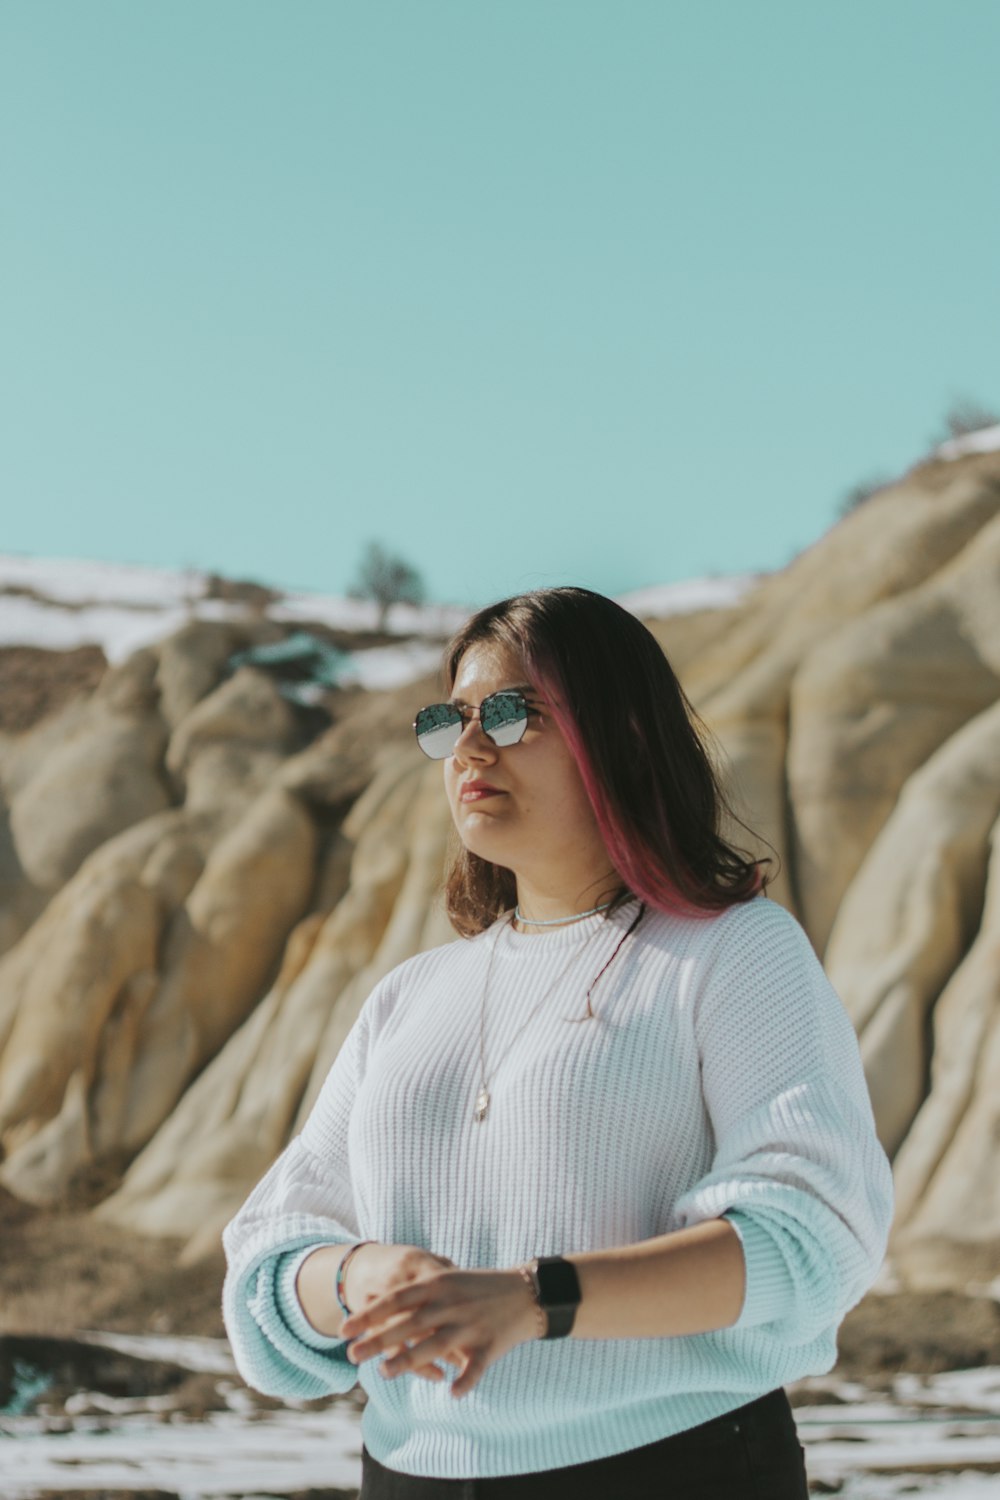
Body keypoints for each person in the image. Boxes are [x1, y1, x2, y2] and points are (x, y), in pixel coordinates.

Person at [222, 586, 894, 1499]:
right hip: (409, 1476)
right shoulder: (409, 996)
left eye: (508, 712)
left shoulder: (733, 949)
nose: (468, 746)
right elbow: (267, 1264)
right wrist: (360, 1275)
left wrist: (535, 1301)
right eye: (448, 719)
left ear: (623, 732)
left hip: (669, 1471)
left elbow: (809, 1239)